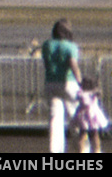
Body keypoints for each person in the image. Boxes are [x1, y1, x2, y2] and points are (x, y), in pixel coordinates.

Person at [41, 19, 81, 153]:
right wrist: (81, 83)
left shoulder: (47, 45)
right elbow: (73, 65)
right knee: (76, 118)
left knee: (55, 120)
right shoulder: (71, 47)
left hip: (51, 83)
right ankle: (83, 149)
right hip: (68, 83)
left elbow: (47, 63)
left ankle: (55, 151)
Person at [73, 78, 108, 155]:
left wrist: (96, 92)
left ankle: (97, 150)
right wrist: (94, 93)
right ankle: (82, 151)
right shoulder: (82, 94)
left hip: (90, 117)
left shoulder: (89, 94)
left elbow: (99, 95)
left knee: (94, 134)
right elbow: (86, 102)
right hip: (87, 117)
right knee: (83, 134)